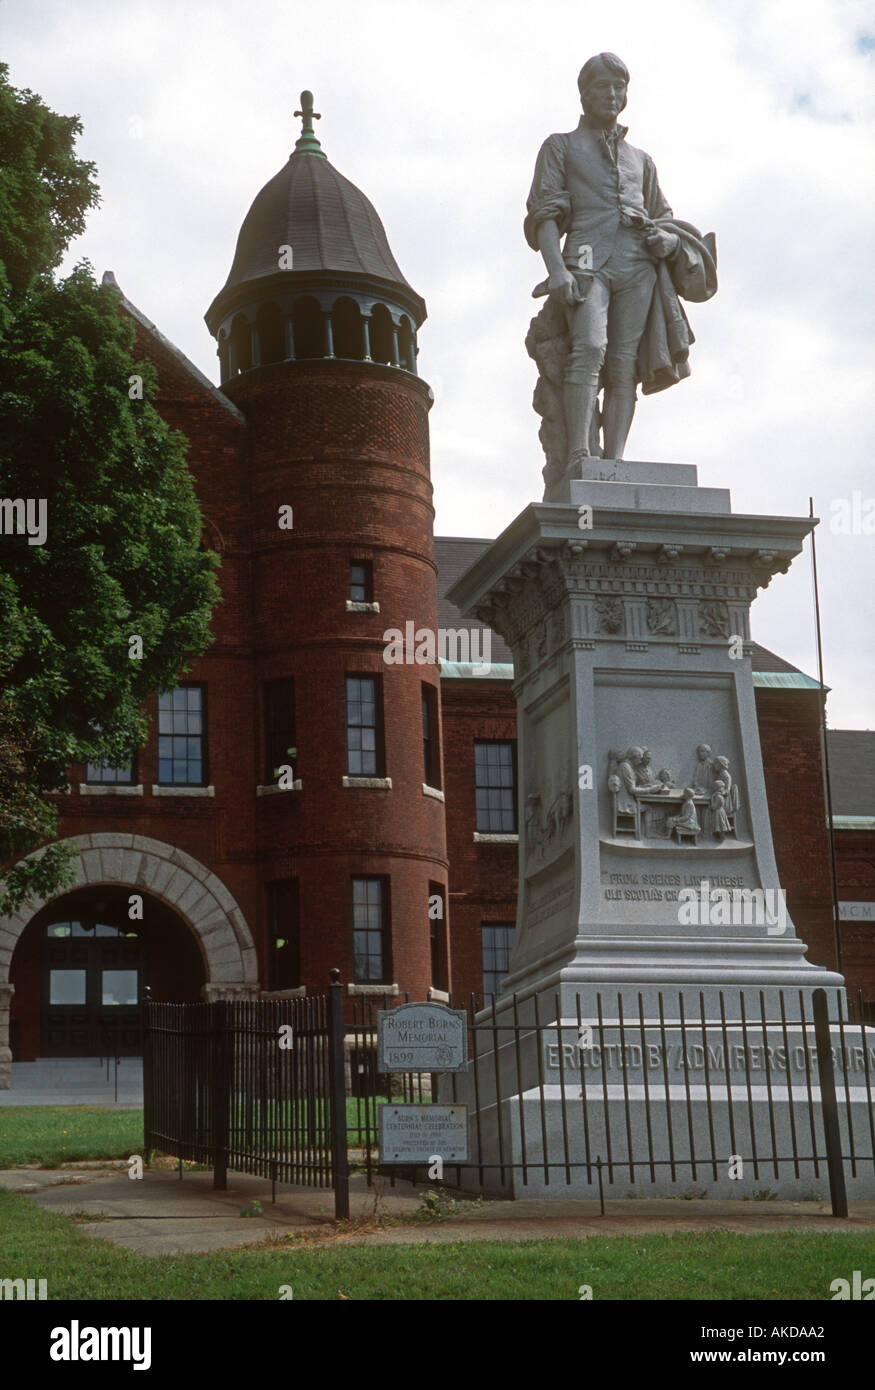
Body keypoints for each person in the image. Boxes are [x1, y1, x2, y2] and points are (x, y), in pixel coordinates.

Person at [525, 53, 716, 482]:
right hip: (586, 263)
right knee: (589, 348)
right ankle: (579, 454)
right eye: (603, 87)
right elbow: (545, 214)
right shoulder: (560, 146)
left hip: (638, 266)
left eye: (619, 87)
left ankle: (613, 462)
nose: (613, 95)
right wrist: (557, 270)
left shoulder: (642, 160)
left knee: (623, 363)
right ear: (584, 94)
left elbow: (664, 216)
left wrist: (666, 241)